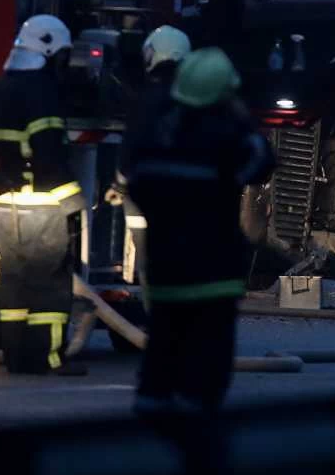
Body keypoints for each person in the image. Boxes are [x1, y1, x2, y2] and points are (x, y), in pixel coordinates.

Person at [125, 48, 274, 412]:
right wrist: (243, 121)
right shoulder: (228, 136)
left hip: (166, 273)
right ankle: (197, 447)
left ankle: (150, 432)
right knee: (207, 374)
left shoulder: (158, 134)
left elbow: (136, 182)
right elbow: (262, 163)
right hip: (214, 275)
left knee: (161, 356)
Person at [0, 15, 89, 375]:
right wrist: (75, 205)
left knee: (13, 281)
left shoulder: (2, 87)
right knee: (50, 284)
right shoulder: (42, 92)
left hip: (5, 201)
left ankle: (15, 357)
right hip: (42, 206)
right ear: (48, 50)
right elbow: (49, 154)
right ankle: (48, 358)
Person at [113, 26, 192, 282]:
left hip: (146, 199)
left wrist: (119, 185)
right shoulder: (196, 101)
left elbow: (130, 150)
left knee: (152, 269)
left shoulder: (146, 100)